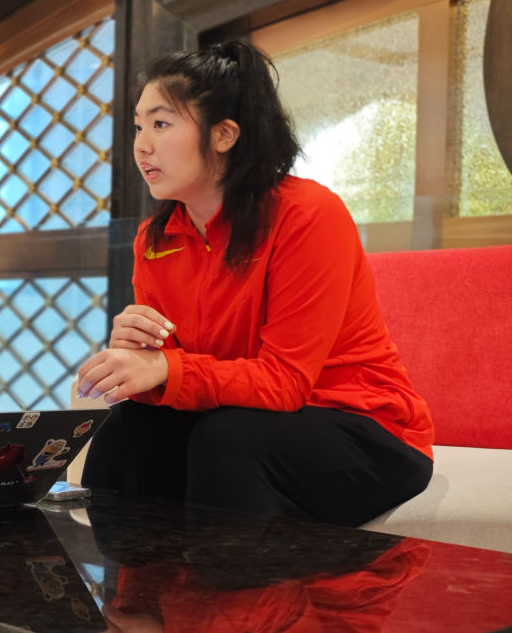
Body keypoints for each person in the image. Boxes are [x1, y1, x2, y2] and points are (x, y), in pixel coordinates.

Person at [76, 41, 434, 527]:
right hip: (242, 415)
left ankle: (241, 581)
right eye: (138, 126)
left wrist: (164, 368)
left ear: (224, 134)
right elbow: (179, 374)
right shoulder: (155, 238)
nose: (141, 145)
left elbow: (285, 382)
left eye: (161, 124)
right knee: (126, 432)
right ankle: (124, 578)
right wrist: (139, 358)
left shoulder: (307, 215)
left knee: (228, 440)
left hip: (365, 426)